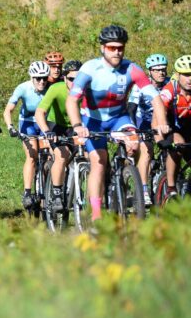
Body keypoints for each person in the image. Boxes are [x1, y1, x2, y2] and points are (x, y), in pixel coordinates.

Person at [66, 25, 170, 221]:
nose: (116, 52)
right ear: (103, 48)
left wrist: (162, 123)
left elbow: (155, 99)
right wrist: (78, 125)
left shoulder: (132, 69)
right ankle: (96, 214)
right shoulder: (90, 69)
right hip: (92, 120)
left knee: (135, 142)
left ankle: (133, 185)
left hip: (118, 119)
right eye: (112, 47)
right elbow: (72, 100)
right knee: (98, 162)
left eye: (120, 48)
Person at [35, 60, 82, 211]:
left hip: (77, 127)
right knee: (62, 155)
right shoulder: (56, 88)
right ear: (64, 78)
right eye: (71, 79)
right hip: (56, 126)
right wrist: (47, 132)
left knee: (91, 156)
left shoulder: (87, 90)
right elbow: (40, 112)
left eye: (79, 79)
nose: (75, 82)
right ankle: (56, 194)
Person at [4, 61, 52, 209]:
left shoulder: (50, 87)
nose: (42, 81)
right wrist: (10, 127)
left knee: (52, 154)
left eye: (44, 77)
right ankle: (27, 193)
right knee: (32, 156)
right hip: (27, 123)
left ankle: (50, 185)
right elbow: (8, 110)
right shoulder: (23, 88)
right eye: (38, 78)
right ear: (32, 78)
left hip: (43, 122)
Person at [128, 53, 170, 203]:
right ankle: (144, 190)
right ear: (150, 71)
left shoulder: (170, 83)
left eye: (163, 69)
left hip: (162, 120)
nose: (161, 73)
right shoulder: (141, 85)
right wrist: (134, 130)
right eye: (157, 70)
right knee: (146, 151)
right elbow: (131, 108)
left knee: (170, 151)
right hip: (142, 120)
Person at [158, 55, 191, 198]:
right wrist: (159, 138)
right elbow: (158, 115)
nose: (190, 79)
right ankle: (171, 188)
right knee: (178, 145)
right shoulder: (169, 90)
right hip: (171, 126)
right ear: (178, 75)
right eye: (186, 75)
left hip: (188, 126)